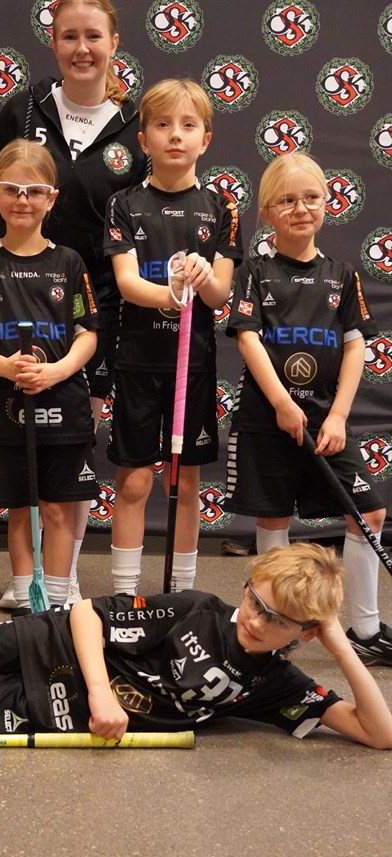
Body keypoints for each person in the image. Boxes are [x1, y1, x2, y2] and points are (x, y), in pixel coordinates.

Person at [0, 544, 391, 750]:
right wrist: (101, 693)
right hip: (56, 643)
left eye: (277, 621)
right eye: (255, 600)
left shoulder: (275, 684)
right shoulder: (198, 608)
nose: (254, 619)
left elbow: (377, 733)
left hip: (57, 709)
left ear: (304, 633)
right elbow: (87, 612)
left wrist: (339, 649)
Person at [0, 0, 148, 607]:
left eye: (93, 36)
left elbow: (146, 214)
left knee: (73, 442)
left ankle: (61, 582)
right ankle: (32, 582)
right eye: (69, 36)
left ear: (114, 42)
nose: (81, 48)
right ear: (54, 42)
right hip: (16, 301)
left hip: (98, 308)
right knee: (21, 438)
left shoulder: (136, 124)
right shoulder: (24, 108)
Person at [223, 152, 391, 667]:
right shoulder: (254, 273)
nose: (301, 208)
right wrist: (280, 402)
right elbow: (248, 340)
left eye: (312, 198)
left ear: (326, 204)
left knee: (369, 513)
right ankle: (273, 624)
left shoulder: (342, 275)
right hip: (267, 421)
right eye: (287, 201)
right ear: (267, 213)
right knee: (274, 519)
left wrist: (337, 416)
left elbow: (356, 346)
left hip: (325, 422)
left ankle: (366, 628)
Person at [103, 78, 243, 595]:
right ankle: (125, 593)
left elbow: (220, 294)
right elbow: (126, 283)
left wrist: (203, 280)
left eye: (188, 125)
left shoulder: (221, 207)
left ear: (205, 139)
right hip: (138, 364)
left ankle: (182, 592)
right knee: (135, 481)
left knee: (184, 482)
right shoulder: (124, 203)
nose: (175, 135)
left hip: (195, 367)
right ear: (144, 140)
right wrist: (173, 291)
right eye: (163, 125)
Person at [0, 139, 100, 609]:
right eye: (12, 189)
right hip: (9, 408)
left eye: (35, 191)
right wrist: (5, 366)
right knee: (21, 508)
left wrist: (56, 371)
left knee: (58, 507)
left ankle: (56, 603)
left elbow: (88, 334)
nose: (23, 200)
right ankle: (26, 596)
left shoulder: (69, 262)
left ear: (52, 198)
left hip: (64, 406)